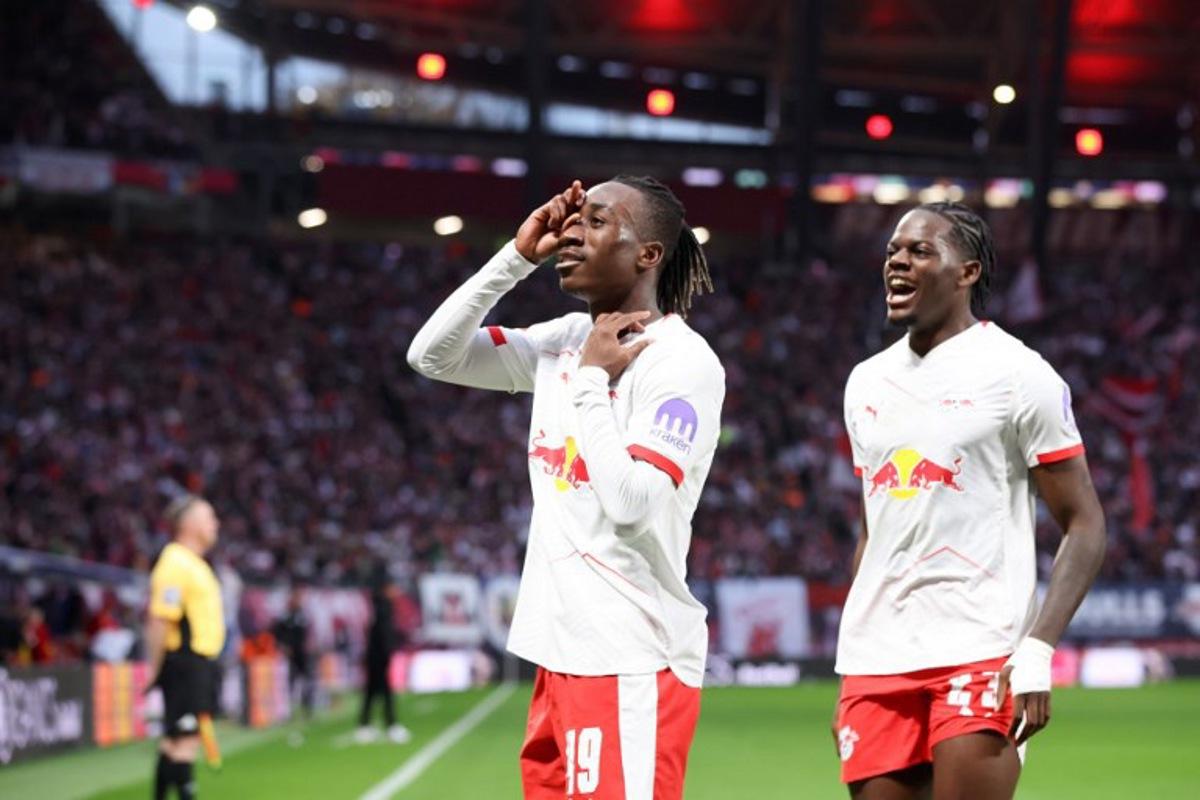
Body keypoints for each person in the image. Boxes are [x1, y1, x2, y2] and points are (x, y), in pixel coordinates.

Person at [408, 176, 725, 799]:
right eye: (574, 219)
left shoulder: (680, 363)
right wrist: (514, 259)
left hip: (629, 660)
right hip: (560, 658)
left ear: (648, 254)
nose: (573, 232)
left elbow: (632, 504)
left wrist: (589, 384)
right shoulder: (564, 341)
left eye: (597, 221)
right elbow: (432, 356)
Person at [833, 202, 1107, 799]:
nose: (898, 262)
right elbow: (873, 526)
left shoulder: (1019, 375)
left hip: (980, 649)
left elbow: (1085, 524)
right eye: (892, 252)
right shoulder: (865, 382)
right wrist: (853, 651)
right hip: (875, 660)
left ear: (968, 272)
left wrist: (1038, 648)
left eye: (920, 251)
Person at [146, 495, 226, 800]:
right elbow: (159, 620)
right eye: (209, 517)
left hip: (196, 663)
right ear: (189, 524)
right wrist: (155, 668)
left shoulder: (193, 563)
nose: (215, 524)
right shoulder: (175, 562)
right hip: (186, 663)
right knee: (185, 743)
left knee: (173, 741)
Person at [356, 569, 410, 744]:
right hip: (378, 657)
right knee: (384, 691)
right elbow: (381, 634)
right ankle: (390, 725)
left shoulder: (377, 605)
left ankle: (366, 725)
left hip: (375, 655)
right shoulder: (382, 607)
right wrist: (387, 652)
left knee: (372, 691)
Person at [274, 588, 314, 720]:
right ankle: (287, 710)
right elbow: (277, 633)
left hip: (302, 652)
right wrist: (283, 646)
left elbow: (308, 632)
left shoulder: (303, 615)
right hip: (289, 654)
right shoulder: (285, 616)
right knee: (288, 682)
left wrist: (309, 644)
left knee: (306, 680)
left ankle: (307, 708)